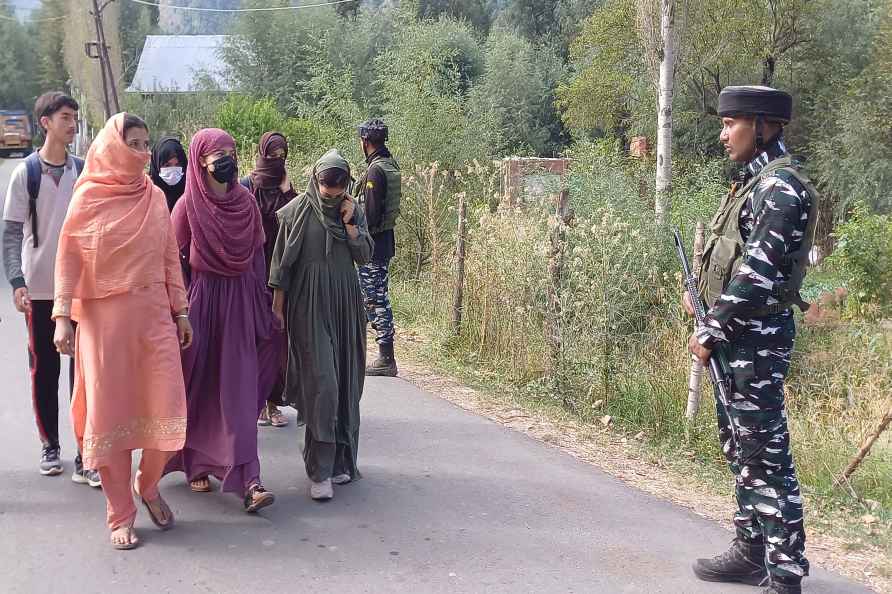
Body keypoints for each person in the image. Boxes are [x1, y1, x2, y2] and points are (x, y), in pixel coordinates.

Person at [685, 86, 816, 594]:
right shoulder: (753, 184)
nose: (722, 134)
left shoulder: (780, 189)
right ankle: (750, 550)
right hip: (738, 339)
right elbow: (733, 259)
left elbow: (758, 273)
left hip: (753, 341)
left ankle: (784, 571)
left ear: (763, 126)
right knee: (740, 447)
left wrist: (712, 326)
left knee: (763, 449)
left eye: (731, 123)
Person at [52, 113, 193, 550]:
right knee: (111, 416)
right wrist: (61, 317)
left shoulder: (153, 197)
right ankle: (120, 514)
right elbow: (70, 259)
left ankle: (148, 485)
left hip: (153, 318)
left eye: (146, 143)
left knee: (167, 410)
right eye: (134, 143)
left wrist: (181, 310)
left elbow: (170, 255)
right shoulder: (86, 199)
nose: (145, 152)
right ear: (113, 147)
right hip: (103, 323)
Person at [164, 128, 277, 513]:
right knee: (200, 387)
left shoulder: (246, 205)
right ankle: (193, 460)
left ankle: (251, 479)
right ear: (200, 161)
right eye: (219, 154)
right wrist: (178, 313)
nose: (227, 159)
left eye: (231, 151)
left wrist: (266, 306)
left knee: (241, 394)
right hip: (203, 307)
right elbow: (172, 265)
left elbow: (259, 258)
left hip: (242, 304)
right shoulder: (186, 208)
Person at [1, 91, 100, 487]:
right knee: (44, 370)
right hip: (40, 288)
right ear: (46, 123)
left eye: (75, 117)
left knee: (84, 372)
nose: (72, 125)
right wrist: (16, 281)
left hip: (80, 289)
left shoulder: (83, 170)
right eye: (65, 117)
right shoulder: (26, 172)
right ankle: (49, 445)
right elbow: (10, 234)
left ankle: (85, 454)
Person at [269, 149, 373, 501]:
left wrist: (351, 226)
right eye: (326, 183)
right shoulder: (296, 212)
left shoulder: (353, 210)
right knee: (323, 385)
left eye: (339, 183)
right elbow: (281, 267)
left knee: (346, 383)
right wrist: (278, 309)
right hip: (309, 306)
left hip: (345, 305)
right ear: (315, 179)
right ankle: (320, 470)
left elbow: (365, 256)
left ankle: (342, 460)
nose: (331, 190)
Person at [241, 131, 295, 429]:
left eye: (282, 155)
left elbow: (295, 223)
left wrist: (287, 191)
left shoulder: (287, 190)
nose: (277, 160)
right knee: (253, 340)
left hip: (280, 274)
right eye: (272, 154)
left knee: (277, 341)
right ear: (262, 154)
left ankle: (274, 402)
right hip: (252, 272)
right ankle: (256, 401)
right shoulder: (248, 186)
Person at [354, 119, 401, 377]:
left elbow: (370, 215)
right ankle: (364, 351)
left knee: (375, 300)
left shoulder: (375, 172)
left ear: (366, 142)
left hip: (372, 245)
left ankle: (386, 357)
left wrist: (355, 236)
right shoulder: (389, 164)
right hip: (384, 241)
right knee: (373, 297)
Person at [149, 136, 188, 211]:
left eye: (177, 164)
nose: (173, 170)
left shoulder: (192, 192)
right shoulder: (146, 194)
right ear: (156, 165)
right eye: (167, 165)